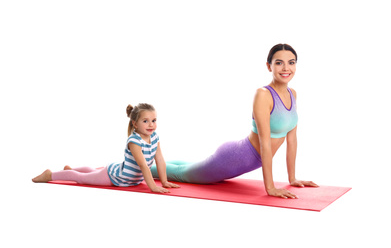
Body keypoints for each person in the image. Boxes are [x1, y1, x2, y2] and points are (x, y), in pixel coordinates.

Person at [151, 44, 318, 198]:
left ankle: (153, 162)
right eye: (279, 63)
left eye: (291, 62)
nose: (286, 68)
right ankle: (137, 166)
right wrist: (270, 188)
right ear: (269, 66)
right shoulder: (263, 95)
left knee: (191, 167)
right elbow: (265, 143)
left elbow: (292, 140)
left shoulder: (292, 94)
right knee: (182, 174)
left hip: (245, 159)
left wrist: (292, 178)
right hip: (236, 158)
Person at [32, 103, 180, 193]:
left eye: (154, 120)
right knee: (82, 179)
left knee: (93, 172)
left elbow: (160, 160)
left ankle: (69, 169)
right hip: (114, 177)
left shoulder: (155, 138)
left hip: (129, 179)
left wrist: (164, 181)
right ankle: (50, 175)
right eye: (145, 121)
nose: (151, 125)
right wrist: (153, 187)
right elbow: (143, 165)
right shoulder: (134, 141)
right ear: (135, 124)